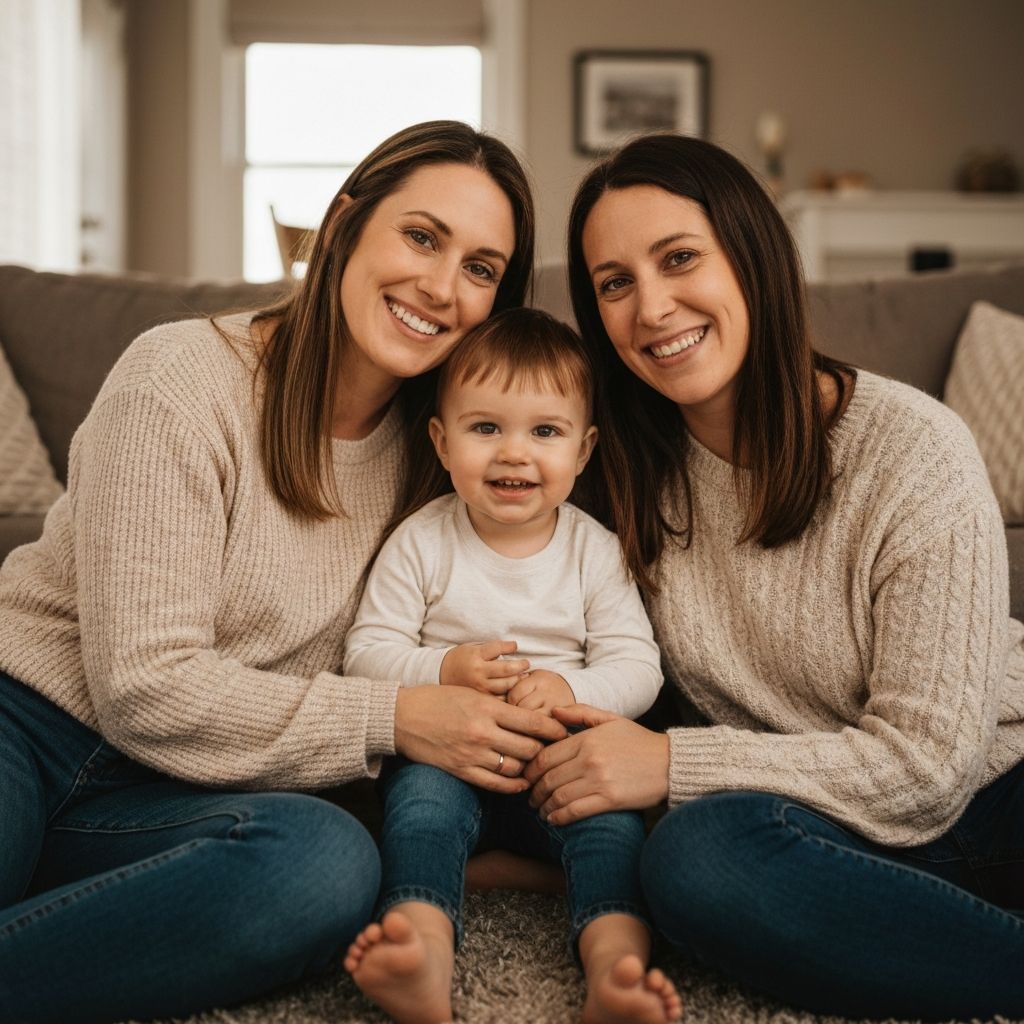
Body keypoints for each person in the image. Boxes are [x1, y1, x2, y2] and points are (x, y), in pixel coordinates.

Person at [0, 121, 570, 1024]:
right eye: (421, 237)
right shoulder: (181, 378)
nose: (441, 286)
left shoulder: (450, 456)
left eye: (479, 267)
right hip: (26, 724)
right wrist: (399, 715)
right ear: (343, 224)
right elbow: (142, 688)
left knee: (324, 865)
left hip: (186, 793)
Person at [523, 132, 1024, 1021]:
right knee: (697, 856)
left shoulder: (913, 450)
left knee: (694, 847)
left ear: (752, 256)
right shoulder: (616, 469)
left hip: (991, 796)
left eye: (680, 258)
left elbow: (928, 771)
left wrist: (670, 762)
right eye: (615, 283)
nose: (653, 308)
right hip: (810, 813)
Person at [342, 307, 681, 1024]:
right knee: (420, 818)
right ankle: (421, 948)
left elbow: (638, 666)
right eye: (486, 428)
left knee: (612, 832)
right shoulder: (421, 542)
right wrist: (443, 670)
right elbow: (365, 655)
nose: (514, 454)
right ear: (442, 441)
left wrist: (568, 687)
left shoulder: (594, 550)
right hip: (446, 761)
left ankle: (614, 966)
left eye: (545, 432)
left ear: (584, 450)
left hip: (564, 759)